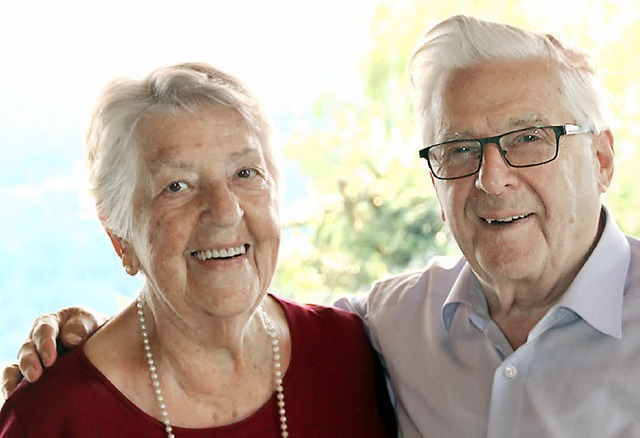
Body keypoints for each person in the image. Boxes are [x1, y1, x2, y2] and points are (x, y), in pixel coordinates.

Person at [4, 14, 640, 437]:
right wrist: (78, 338)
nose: (492, 179)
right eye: (460, 149)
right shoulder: (383, 329)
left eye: (531, 139)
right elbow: (205, 309)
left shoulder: (351, 345)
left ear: (604, 157)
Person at [0, 62, 396, 437]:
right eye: (177, 186)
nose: (225, 211)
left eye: (245, 173)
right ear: (118, 235)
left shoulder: (346, 350)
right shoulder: (51, 415)